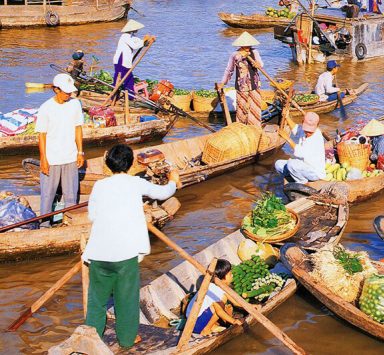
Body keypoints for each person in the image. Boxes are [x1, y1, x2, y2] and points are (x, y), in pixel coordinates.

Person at [83, 144, 180, 348]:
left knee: (96, 300)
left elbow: (92, 215)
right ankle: (126, 340)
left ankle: (91, 338)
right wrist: (173, 180)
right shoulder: (136, 183)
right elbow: (164, 193)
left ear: (108, 164)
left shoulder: (99, 186)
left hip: (98, 252)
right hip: (124, 254)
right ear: (130, 164)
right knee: (126, 299)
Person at [35, 73, 84, 227]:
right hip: (52, 158)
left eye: (70, 92)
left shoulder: (75, 104)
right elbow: (42, 135)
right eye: (65, 92)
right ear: (56, 89)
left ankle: (69, 224)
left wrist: (80, 152)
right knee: (47, 195)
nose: (68, 94)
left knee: (71, 195)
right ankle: (44, 225)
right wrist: (43, 158)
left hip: (70, 157)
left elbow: (78, 129)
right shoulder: (46, 108)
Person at [186, 259, 243, 336]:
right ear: (223, 278)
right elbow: (219, 312)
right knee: (221, 302)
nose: (232, 275)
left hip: (194, 321)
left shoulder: (219, 286)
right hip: (193, 324)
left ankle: (209, 325)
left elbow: (236, 302)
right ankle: (206, 329)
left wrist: (251, 307)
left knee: (222, 301)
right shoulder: (215, 290)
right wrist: (233, 321)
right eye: (230, 274)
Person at [220, 32, 264, 127]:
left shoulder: (254, 52)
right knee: (242, 109)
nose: (248, 47)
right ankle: (241, 128)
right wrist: (223, 83)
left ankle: (255, 128)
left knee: (255, 108)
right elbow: (229, 70)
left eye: (249, 45)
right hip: (242, 86)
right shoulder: (235, 55)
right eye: (246, 45)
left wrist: (258, 64)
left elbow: (261, 64)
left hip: (255, 84)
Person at [275, 112, 326, 183]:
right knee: (278, 164)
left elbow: (300, 153)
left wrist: (287, 138)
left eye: (310, 131)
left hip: (314, 172)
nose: (307, 133)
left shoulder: (316, 137)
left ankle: (302, 183)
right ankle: (294, 178)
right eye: (306, 130)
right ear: (302, 123)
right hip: (301, 166)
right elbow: (296, 129)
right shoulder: (304, 130)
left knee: (291, 164)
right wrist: (287, 117)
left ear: (317, 126)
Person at [112, 19, 154, 98]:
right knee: (120, 78)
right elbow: (135, 45)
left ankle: (130, 97)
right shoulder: (125, 36)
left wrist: (147, 41)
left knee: (129, 79)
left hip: (127, 61)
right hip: (121, 60)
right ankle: (114, 96)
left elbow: (139, 42)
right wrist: (143, 41)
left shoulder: (132, 37)